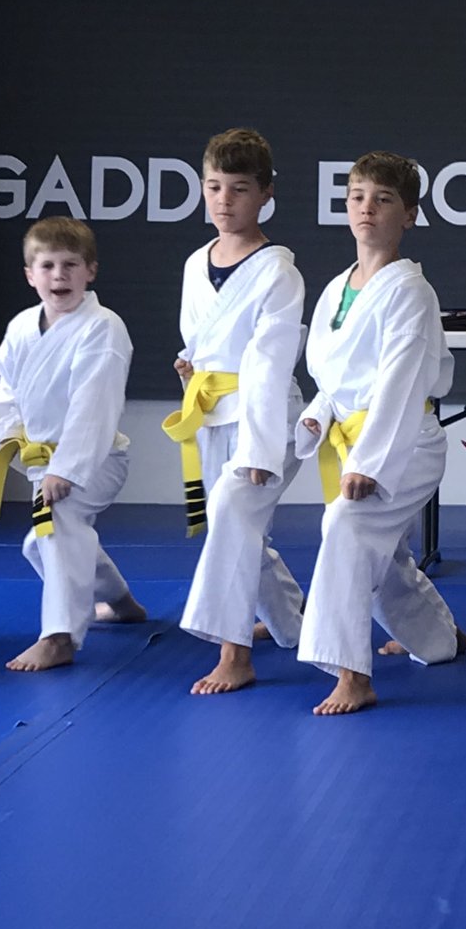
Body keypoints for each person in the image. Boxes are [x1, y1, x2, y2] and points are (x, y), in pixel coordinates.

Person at [295, 150, 466, 716]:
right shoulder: (334, 289)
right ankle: (440, 640)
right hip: (356, 438)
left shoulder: (411, 292)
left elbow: (398, 382)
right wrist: (320, 414)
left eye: (383, 199)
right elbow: (335, 376)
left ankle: (352, 673)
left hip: (406, 443)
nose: (367, 209)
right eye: (357, 197)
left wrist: (368, 462)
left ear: (410, 214)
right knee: (383, 552)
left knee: (345, 526)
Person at [170, 128, 309, 695]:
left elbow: (270, 364)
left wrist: (259, 451)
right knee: (236, 527)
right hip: (211, 412)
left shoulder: (279, 271)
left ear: (266, 194)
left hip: (268, 419)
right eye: (214, 187)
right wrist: (190, 364)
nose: (225, 201)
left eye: (240, 189)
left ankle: (234, 651)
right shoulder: (194, 262)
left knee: (231, 514)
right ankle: (294, 625)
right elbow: (202, 337)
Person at [0, 216, 147, 673]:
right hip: (43, 457)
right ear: (30, 275)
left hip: (97, 457)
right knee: (40, 544)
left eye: (71, 265)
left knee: (56, 521)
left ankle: (59, 636)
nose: (60, 276)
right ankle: (118, 599)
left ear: (90, 271)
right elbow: (7, 394)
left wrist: (67, 470)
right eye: (48, 266)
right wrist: (10, 438)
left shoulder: (103, 328)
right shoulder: (21, 327)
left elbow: (94, 406)